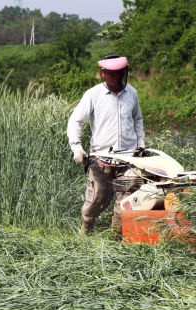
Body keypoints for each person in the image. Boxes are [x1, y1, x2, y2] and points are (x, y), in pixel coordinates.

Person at [67, 53, 146, 235]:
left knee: (126, 203)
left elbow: (137, 120)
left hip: (128, 160)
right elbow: (75, 122)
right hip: (101, 159)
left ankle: (116, 237)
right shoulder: (93, 95)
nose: (115, 77)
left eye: (119, 73)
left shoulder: (131, 93)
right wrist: (77, 147)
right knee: (96, 201)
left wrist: (141, 144)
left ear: (124, 73)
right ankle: (85, 232)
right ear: (103, 73)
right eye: (111, 73)